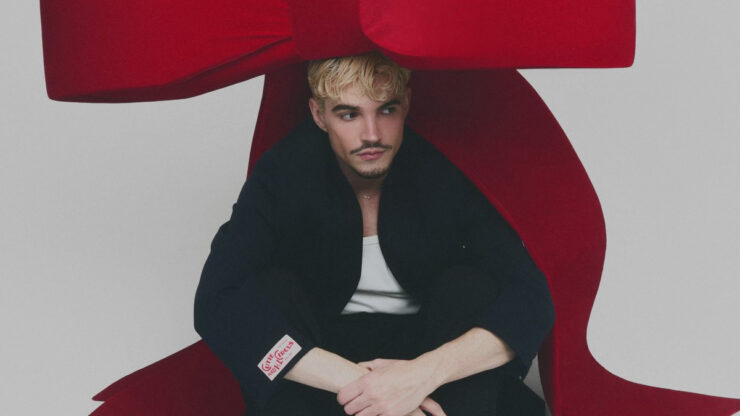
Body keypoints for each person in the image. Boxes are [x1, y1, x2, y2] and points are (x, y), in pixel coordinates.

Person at [193, 51, 555, 416]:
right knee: (270, 290)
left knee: (471, 287)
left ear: (406, 104)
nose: (372, 135)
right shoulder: (284, 172)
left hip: (433, 367)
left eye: (386, 110)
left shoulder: (444, 170)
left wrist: (420, 377)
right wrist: (366, 386)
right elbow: (216, 300)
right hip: (322, 373)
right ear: (319, 115)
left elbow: (530, 297)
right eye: (348, 114)